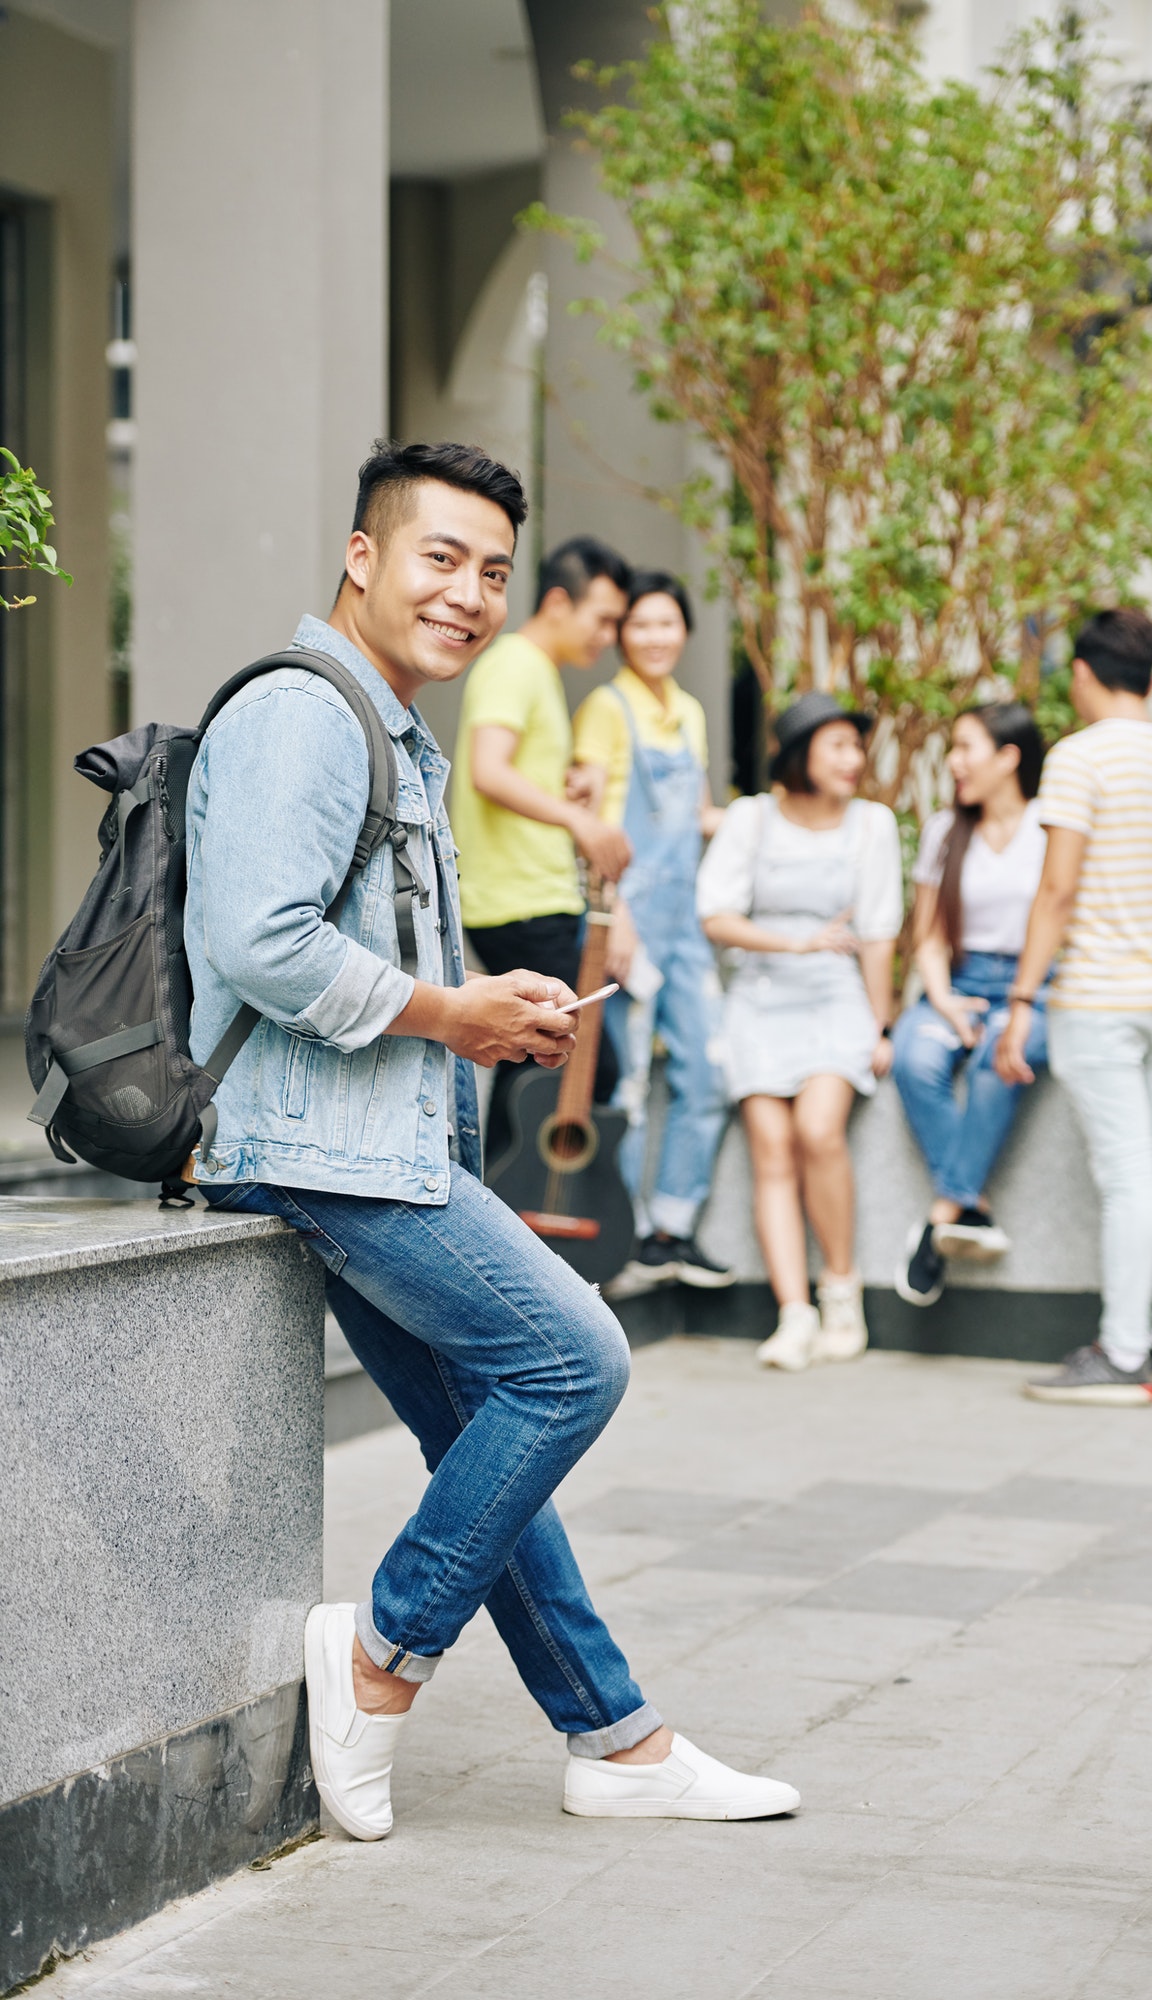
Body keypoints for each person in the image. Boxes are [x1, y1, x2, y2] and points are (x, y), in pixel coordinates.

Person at [185, 439, 800, 1840]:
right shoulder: (303, 712)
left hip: (370, 1139)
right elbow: (258, 941)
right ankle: (377, 1660)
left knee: (482, 1420)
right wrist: (450, 1011)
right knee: (573, 1361)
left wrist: (475, 1008)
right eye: (439, 558)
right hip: (313, 1147)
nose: (467, 594)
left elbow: (346, 947)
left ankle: (616, 1742)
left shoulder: (387, 722)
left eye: (492, 573)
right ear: (362, 557)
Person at [995, 608, 1152, 1407]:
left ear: (1082, 674)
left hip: (1096, 997)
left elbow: (1057, 890)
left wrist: (1022, 996)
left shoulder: (1077, 760)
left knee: (1129, 1174)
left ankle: (1123, 1355)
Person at [697, 692, 901, 1372]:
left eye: (855, 746)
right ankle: (793, 1313)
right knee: (771, 1147)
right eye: (838, 745)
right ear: (799, 753)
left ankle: (841, 1293)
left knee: (818, 1130)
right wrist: (792, 946)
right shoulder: (752, 820)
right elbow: (716, 916)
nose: (854, 759)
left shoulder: (870, 825)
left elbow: (876, 934)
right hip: (759, 998)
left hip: (834, 999)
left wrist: (879, 1025)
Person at [571, 571, 735, 1296]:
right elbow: (587, 831)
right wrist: (617, 917)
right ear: (621, 634)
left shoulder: (692, 711)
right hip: (626, 921)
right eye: (640, 625)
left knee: (707, 1072)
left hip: (685, 924)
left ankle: (672, 1227)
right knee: (629, 1083)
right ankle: (624, 1236)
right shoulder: (605, 709)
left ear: (685, 632)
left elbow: (699, 815)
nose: (655, 638)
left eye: (667, 624)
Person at [450, 535, 633, 1159]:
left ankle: (501, 1208)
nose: (609, 636)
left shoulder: (538, 673)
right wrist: (581, 824)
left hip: (533, 897)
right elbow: (488, 770)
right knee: (578, 1063)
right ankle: (508, 1211)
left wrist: (565, 791)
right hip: (517, 901)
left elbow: (515, 776)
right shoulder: (515, 664)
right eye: (602, 618)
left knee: (533, 1062)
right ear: (558, 601)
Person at [892, 703, 1049, 1307]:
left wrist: (1020, 1001)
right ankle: (971, 1206)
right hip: (962, 981)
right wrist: (943, 1000)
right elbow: (928, 936)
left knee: (998, 1061)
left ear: (1009, 757)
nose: (954, 762)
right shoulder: (944, 830)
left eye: (966, 748)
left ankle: (938, 1220)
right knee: (914, 1056)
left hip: (1031, 987)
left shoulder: (1049, 828)